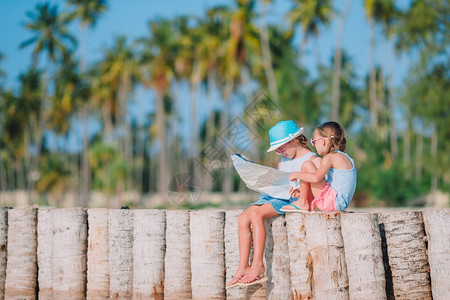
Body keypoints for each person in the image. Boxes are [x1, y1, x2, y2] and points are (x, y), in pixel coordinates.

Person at [227, 120, 319, 288]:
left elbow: (314, 185)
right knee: (242, 218)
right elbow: (280, 180)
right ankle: (243, 266)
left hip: (287, 199)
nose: (279, 152)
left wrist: (298, 192)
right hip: (272, 195)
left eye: (281, 147)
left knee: (257, 215)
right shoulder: (283, 160)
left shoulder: (311, 159)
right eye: (277, 150)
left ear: (294, 140)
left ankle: (258, 265)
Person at [283, 121, 356, 212]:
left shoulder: (330, 157)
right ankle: (304, 199)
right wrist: (302, 191)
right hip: (338, 203)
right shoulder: (344, 157)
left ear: (323, 141)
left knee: (307, 165)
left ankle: (303, 202)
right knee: (316, 161)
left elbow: (316, 178)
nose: (314, 145)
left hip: (332, 203)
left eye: (314, 141)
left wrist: (296, 174)